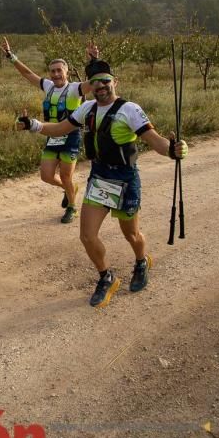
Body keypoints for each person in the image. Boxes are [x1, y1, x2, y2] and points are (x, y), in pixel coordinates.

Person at [17, 59, 188, 308]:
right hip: (99, 178)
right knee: (87, 235)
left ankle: (141, 261)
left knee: (131, 233)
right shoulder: (87, 108)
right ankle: (106, 277)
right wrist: (34, 125)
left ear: (114, 82)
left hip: (125, 179)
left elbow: (155, 140)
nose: (101, 86)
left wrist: (174, 150)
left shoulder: (130, 109)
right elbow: (61, 128)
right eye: (95, 82)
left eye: (105, 81)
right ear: (91, 86)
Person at [1, 37, 99, 223]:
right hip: (52, 135)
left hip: (71, 136)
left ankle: (72, 207)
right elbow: (28, 74)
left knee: (65, 175)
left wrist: (94, 61)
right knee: (46, 176)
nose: (55, 74)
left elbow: (95, 82)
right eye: (52, 71)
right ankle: (70, 189)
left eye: (59, 71)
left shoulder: (75, 89)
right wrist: (10, 56)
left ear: (66, 72)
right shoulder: (48, 86)